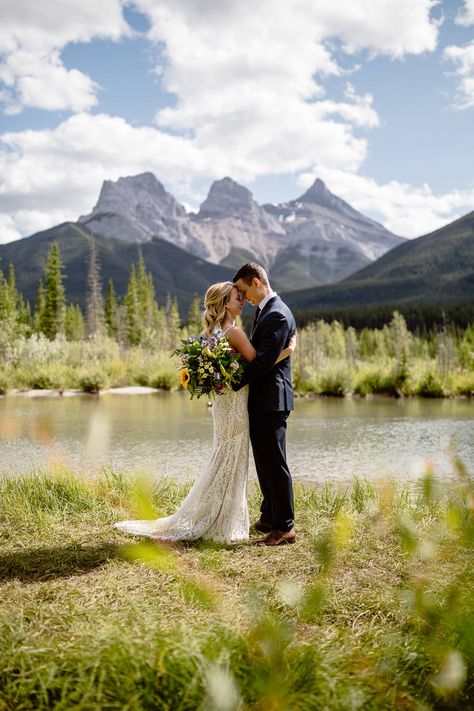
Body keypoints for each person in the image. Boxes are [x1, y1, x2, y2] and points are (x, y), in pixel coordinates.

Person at [114, 281, 295, 544]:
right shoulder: (234, 333)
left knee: (223, 455)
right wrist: (288, 350)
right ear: (224, 305)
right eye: (236, 298)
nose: (241, 300)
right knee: (232, 457)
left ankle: (218, 513)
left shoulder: (210, 333)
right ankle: (223, 517)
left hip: (222, 405)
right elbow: (259, 364)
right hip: (235, 405)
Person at [233, 262, 297, 546]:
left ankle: (285, 527)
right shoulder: (264, 312)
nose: (244, 299)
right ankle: (270, 515)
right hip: (262, 398)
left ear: (256, 282)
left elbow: (262, 362)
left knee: (275, 462)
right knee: (263, 460)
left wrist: (230, 383)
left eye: (245, 291)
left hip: (273, 399)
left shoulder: (277, 315)